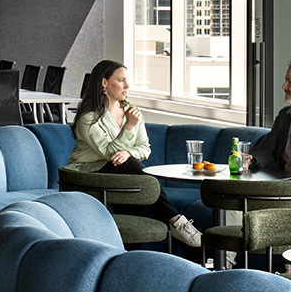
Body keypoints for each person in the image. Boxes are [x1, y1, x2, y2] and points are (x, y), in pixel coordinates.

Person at [65, 58, 202, 247]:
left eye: (127, 80)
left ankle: (130, 256)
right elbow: (108, 153)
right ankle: (176, 221)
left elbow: (145, 148)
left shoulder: (132, 111)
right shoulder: (88, 118)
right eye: (121, 80)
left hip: (119, 173)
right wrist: (129, 126)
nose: (127, 85)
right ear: (104, 83)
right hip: (87, 175)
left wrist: (128, 153)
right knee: (133, 170)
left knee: (132, 176)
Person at [250, 58, 291, 179]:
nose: (284, 86)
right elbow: (269, 148)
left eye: (290, 82)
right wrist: (251, 160)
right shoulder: (285, 115)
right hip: (283, 186)